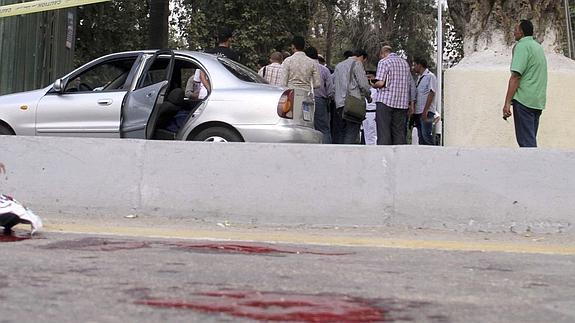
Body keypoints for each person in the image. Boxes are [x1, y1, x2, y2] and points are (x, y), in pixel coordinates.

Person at [502, 19, 547, 148]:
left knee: (526, 144)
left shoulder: (522, 46)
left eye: (516, 29)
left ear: (521, 32)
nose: (514, 32)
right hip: (537, 101)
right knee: (530, 139)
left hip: (524, 100)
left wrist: (507, 104)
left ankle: (533, 167)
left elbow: (516, 76)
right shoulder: (537, 47)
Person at [372, 46, 413, 145]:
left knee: (384, 133)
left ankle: (384, 158)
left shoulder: (384, 62)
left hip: (385, 101)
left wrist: (373, 83)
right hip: (402, 103)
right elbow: (410, 84)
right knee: (399, 133)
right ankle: (398, 157)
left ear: (383, 53)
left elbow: (381, 83)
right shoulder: (405, 64)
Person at [332, 49, 372, 144]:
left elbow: (334, 86)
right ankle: (348, 156)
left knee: (341, 132)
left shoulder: (338, 66)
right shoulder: (357, 64)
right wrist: (368, 97)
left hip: (339, 104)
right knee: (352, 131)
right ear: (362, 57)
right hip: (353, 104)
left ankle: (339, 155)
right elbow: (363, 85)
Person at [305, 46, 334, 144]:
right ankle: (327, 151)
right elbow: (330, 89)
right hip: (320, 100)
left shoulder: (305, 68)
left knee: (305, 127)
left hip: (304, 99)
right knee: (323, 129)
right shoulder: (324, 70)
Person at [412, 57, 437, 145]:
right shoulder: (419, 78)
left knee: (426, 135)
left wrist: (426, 110)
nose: (413, 67)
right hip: (418, 111)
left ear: (420, 65)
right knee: (421, 137)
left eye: (415, 65)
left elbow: (431, 93)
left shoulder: (430, 76)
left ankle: (433, 154)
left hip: (427, 111)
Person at [362, 72, 378, 145]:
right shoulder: (364, 90)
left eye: (370, 77)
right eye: (367, 77)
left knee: (373, 133)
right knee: (366, 134)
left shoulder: (378, 90)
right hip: (365, 113)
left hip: (373, 113)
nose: (368, 79)